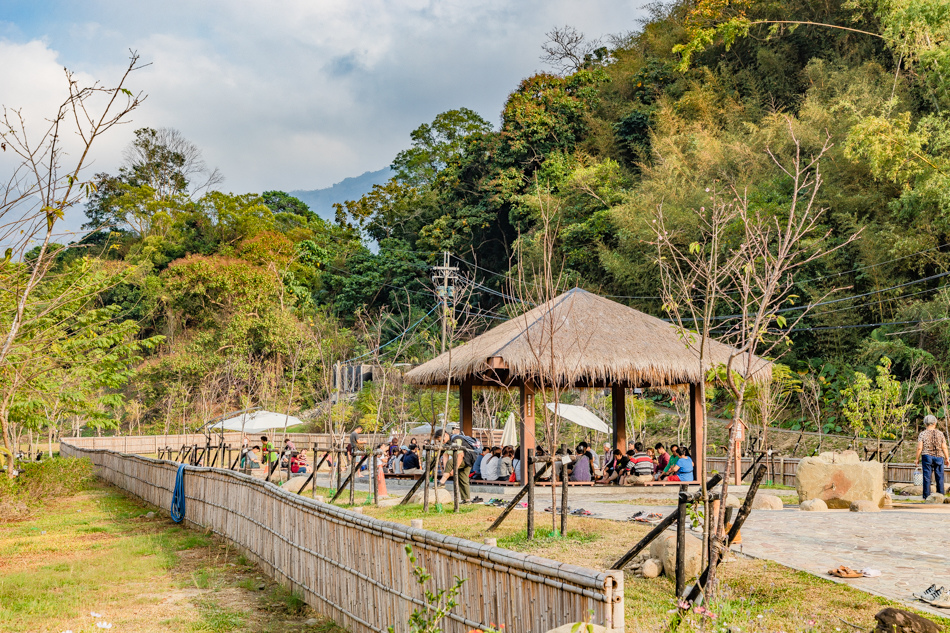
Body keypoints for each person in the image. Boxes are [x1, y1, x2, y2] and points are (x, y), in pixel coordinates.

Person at [436, 428, 475, 503]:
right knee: (463, 479)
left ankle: (442, 482)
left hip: (467, 459)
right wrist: (446, 471)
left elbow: (460, 455)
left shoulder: (456, 439)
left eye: (441, 440)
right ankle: (466, 500)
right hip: (460, 460)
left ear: (446, 435)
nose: (442, 442)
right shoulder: (447, 443)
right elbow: (445, 455)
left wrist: (453, 470)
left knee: (451, 462)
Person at [916, 415, 949, 498]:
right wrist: (947, 458)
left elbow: (920, 447)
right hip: (939, 456)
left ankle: (926, 497)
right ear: (935, 423)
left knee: (927, 477)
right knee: (940, 477)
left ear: (925, 424)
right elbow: (944, 447)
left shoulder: (922, 434)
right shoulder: (940, 434)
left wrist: (917, 459)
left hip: (927, 456)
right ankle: (940, 496)